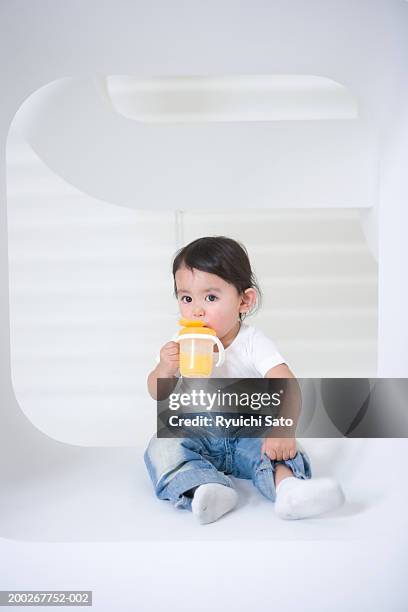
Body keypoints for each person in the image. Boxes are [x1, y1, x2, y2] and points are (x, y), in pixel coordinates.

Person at [144, 236, 345, 524]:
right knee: (162, 446)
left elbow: (287, 385)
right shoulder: (180, 342)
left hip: (248, 432)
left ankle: (289, 489)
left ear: (244, 300)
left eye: (210, 297)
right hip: (199, 432)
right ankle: (206, 489)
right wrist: (164, 369)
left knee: (279, 452)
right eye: (186, 298)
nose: (196, 310)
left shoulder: (252, 342)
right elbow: (157, 392)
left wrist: (283, 430)